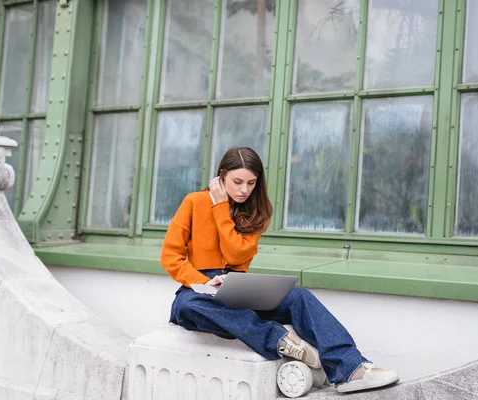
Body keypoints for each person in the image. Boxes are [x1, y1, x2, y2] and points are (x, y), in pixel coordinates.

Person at [161, 146, 399, 393]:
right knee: (187, 307)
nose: (244, 190)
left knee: (300, 297)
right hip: (198, 287)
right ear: (221, 176)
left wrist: (221, 208)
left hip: (238, 286)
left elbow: (235, 254)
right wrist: (204, 282)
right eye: (237, 181)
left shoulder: (256, 211)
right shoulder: (194, 202)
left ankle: (352, 369)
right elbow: (171, 257)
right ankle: (280, 341)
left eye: (251, 183)